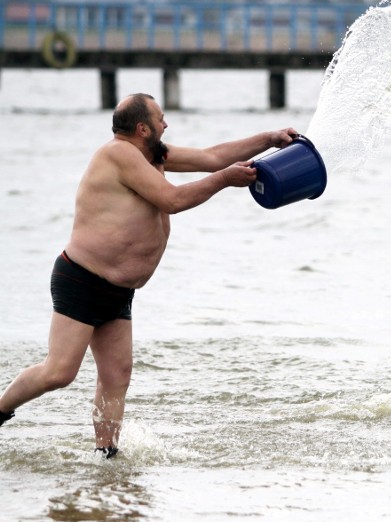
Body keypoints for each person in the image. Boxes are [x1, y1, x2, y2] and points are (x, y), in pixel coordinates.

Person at [0, 93, 300, 456]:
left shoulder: (153, 154)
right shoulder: (118, 154)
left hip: (117, 288)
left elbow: (212, 157)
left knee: (117, 375)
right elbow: (172, 200)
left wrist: (269, 139)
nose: (166, 123)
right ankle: (0, 411)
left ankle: (105, 454)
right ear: (142, 127)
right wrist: (224, 180)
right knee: (59, 372)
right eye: (161, 118)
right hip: (82, 278)